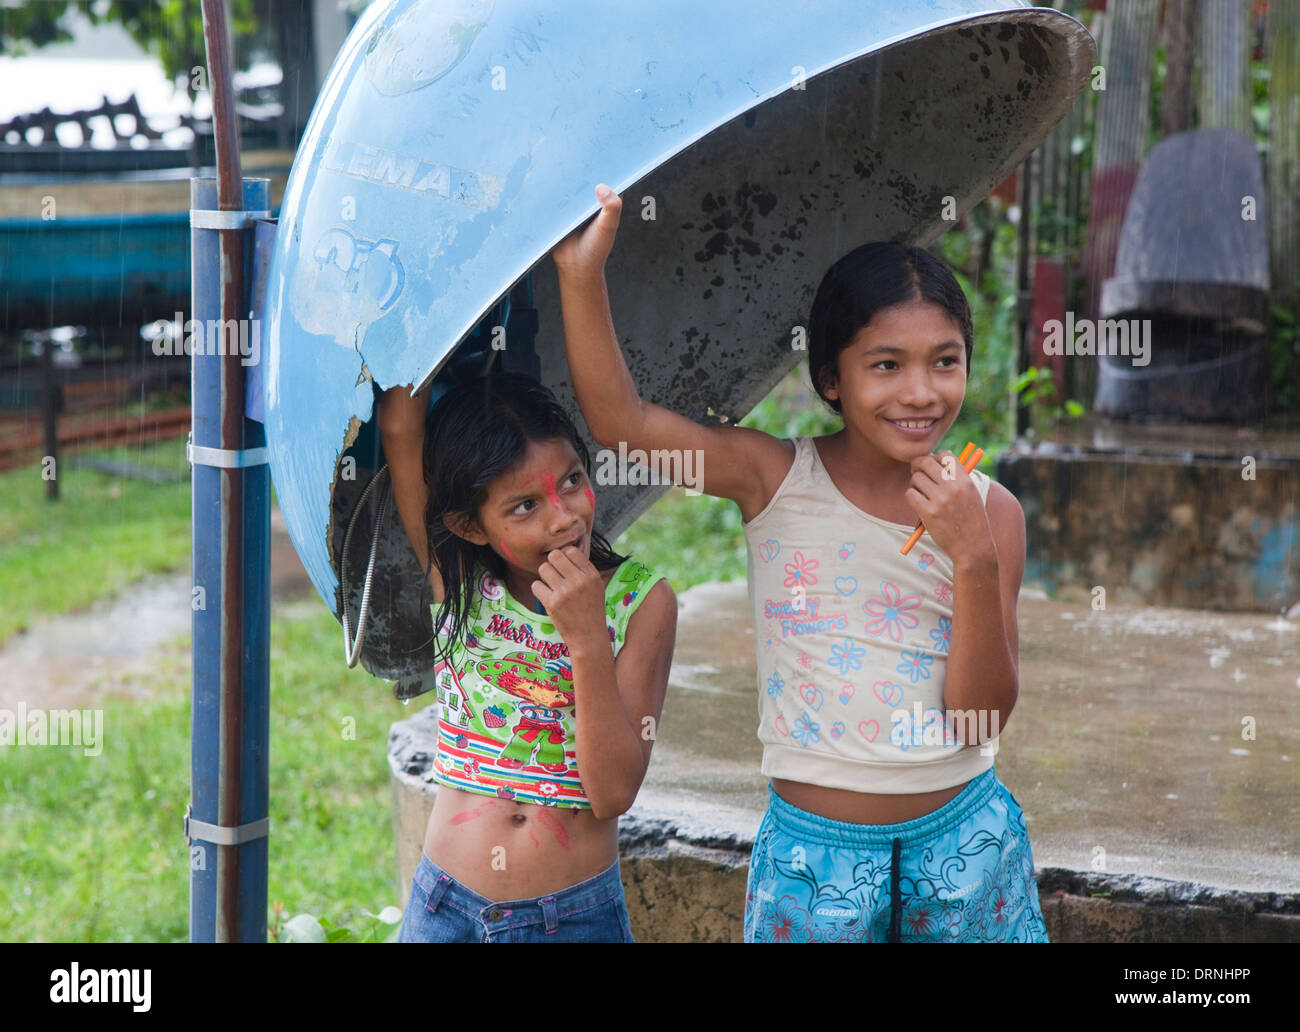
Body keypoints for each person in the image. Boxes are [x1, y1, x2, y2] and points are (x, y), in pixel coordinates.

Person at [550, 185, 1048, 943]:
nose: (920, 392)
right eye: (886, 365)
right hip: (816, 859)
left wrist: (972, 556)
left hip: (965, 844)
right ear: (830, 380)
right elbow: (624, 425)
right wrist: (580, 277)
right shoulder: (771, 479)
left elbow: (980, 716)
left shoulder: (993, 512)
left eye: (944, 362)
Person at [378, 371, 676, 942]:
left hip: (569, 920)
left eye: (571, 480)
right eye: (524, 506)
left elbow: (612, 792)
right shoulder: (456, 580)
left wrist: (587, 637)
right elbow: (400, 426)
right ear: (469, 526)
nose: (563, 517)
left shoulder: (640, 602)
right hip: (445, 908)